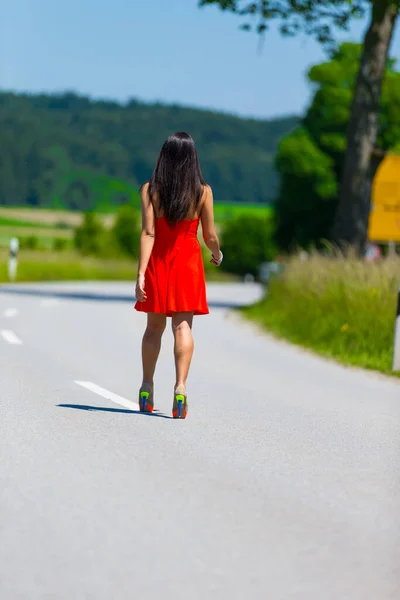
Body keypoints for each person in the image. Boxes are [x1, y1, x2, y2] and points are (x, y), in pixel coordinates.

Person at [134, 132, 223, 419]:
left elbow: (148, 233)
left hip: (158, 263)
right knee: (182, 329)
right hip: (188, 264)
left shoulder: (150, 190)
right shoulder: (202, 192)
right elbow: (209, 236)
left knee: (153, 329)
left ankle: (147, 386)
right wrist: (218, 254)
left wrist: (140, 274)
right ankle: (181, 389)